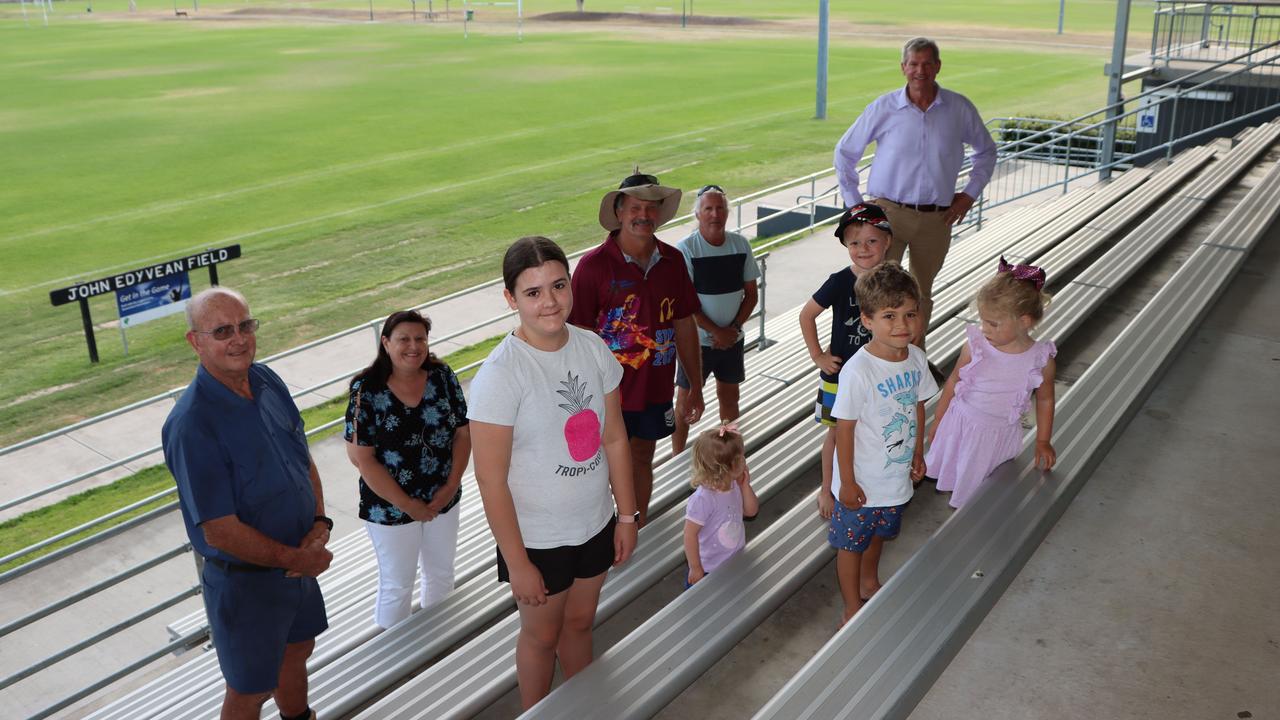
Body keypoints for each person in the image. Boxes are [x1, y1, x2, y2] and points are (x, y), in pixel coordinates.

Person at [469, 236, 639, 709]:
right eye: (533, 292)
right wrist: (518, 562)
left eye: (558, 286)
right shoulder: (501, 375)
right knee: (541, 639)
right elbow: (489, 479)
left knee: (582, 623)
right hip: (538, 541)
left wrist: (626, 516)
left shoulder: (592, 347)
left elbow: (615, 438)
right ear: (510, 299)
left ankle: (580, 706)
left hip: (595, 524)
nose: (550, 302)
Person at [161, 287, 330, 720]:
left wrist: (319, 522)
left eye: (245, 326)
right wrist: (296, 557)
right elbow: (218, 529)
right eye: (221, 331)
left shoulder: (266, 379)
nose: (238, 339)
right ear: (195, 342)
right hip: (247, 584)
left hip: (298, 561)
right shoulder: (192, 424)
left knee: (298, 650)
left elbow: (301, 457)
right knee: (252, 688)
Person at [833, 37, 997, 349]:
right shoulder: (883, 107)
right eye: (913, 64)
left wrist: (969, 194)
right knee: (879, 291)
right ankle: (876, 359)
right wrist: (857, 209)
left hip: (938, 217)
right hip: (888, 215)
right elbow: (844, 153)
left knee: (921, 294)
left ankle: (913, 360)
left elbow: (986, 152)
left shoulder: (958, 108)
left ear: (937, 66)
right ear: (903, 67)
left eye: (926, 63)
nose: (919, 70)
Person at [570, 171, 704, 525]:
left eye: (650, 207)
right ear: (618, 212)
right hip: (604, 394)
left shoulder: (674, 261)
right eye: (634, 207)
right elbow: (577, 335)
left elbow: (685, 324)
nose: (643, 215)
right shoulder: (592, 267)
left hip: (656, 388)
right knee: (599, 468)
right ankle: (601, 534)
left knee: (643, 455)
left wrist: (695, 386)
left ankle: (636, 528)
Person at [344, 310, 471, 629]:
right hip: (390, 509)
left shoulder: (442, 377)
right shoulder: (367, 388)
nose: (413, 346)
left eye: (420, 339)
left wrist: (450, 486)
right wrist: (408, 504)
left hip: (443, 499)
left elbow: (463, 434)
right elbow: (363, 458)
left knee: (441, 574)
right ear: (385, 343)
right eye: (403, 339)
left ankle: (438, 644)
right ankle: (395, 664)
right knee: (397, 586)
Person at [827, 262, 938, 626]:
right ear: (867, 320)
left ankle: (869, 580)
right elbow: (843, 429)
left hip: (895, 476)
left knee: (879, 533)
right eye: (889, 315)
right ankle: (849, 606)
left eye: (910, 314)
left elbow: (918, 406)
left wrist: (918, 451)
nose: (902, 325)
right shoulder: (858, 371)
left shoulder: (917, 359)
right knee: (850, 544)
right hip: (860, 480)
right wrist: (846, 481)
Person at [925, 258, 1057, 508]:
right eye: (983, 320)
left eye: (993, 323)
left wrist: (1042, 440)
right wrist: (939, 420)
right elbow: (953, 381)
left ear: (1024, 321)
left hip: (998, 436)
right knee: (962, 482)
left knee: (984, 493)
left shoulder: (1040, 359)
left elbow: (1046, 398)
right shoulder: (975, 346)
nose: (984, 328)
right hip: (962, 426)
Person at [799, 203, 894, 522]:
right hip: (840, 375)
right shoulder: (840, 281)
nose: (863, 249)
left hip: (880, 374)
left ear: (887, 242)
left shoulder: (895, 280)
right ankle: (827, 488)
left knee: (875, 427)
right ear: (845, 245)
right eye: (854, 242)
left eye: (871, 241)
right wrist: (818, 356)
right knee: (836, 433)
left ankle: (868, 479)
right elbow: (807, 314)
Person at [671, 184, 761, 454]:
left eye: (719, 208)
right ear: (698, 214)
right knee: (685, 401)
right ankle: (677, 455)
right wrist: (716, 332)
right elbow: (685, 304)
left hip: (731, 340)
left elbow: (751, 294)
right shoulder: (686, 249)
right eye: (708, 208)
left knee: (730, 397)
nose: (714, 214)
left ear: (726, 213)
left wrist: (731, 330)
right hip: (696, 343)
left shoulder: (740, 244)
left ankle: (728, 452)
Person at [683, 424, 759, 587]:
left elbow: (751, 511)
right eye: (741, 457)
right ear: (727, 468)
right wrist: (696, 568)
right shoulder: (703, 499)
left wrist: (746, 486)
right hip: (708, 567)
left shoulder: (735, 484)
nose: (745, 460)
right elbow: (690, 535)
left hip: (735, 560)